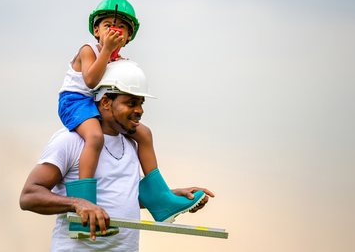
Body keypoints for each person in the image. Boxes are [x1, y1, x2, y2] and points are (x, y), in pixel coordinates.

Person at [20, 60, 214, 251]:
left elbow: (122, 198)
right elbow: (29, 195)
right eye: (131, 103)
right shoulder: (70, 140)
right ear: (105, 102)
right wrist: (76, 202)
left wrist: (171, 194)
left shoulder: (131, 144)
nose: (140, 110)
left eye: (141, 103)